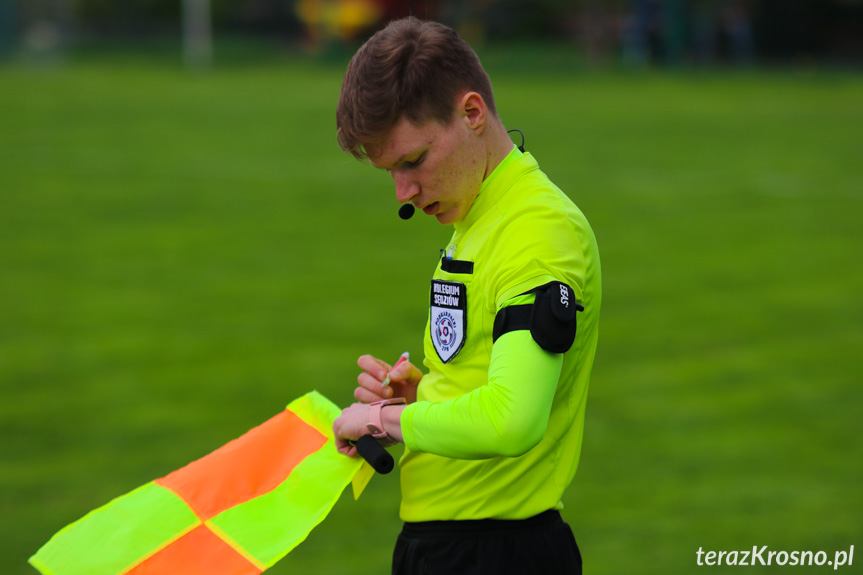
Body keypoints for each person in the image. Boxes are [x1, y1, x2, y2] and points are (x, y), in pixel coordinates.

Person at [332, 16, 601, 575]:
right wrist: (422, 400)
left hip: (495, 554)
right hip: (460, 547)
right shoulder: (481, 217)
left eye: (413, 162)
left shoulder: (534, 233)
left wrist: (385, 421)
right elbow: (487, 379)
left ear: (472, 114)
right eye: (391, 172)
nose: (404, 194)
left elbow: (512, 419)